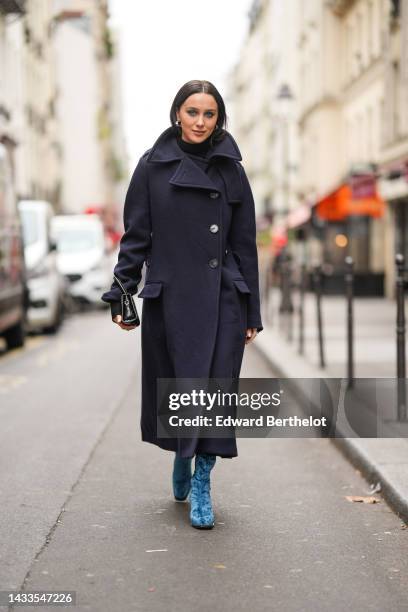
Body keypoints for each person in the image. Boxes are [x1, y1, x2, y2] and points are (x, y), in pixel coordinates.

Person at [101, 79, 263, 529]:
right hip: (171, 298)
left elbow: (244, 244)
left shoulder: (232, 168)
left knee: (213, 392)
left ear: (218, 119)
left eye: (209, 114)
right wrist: (121, 291)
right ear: (177, 114)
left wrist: (252, 311)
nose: (200, 121)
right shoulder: (152, 166)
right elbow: (135, 238)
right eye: (192, 112)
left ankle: (202, 482)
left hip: (223, 298)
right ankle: (181, 452)